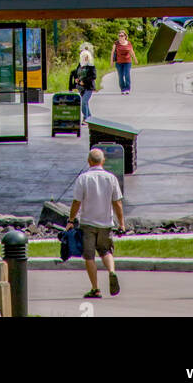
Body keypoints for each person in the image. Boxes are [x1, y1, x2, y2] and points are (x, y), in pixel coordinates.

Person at [67, 147, 125, 299]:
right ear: (103, 161)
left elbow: (76, 202)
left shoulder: (83, 178)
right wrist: (121, 224)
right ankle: (111, 271)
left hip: (88, 223)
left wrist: (71, 220)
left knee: (89, 256)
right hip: (106, 223)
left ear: (88, 161)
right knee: (106, 251)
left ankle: (95, 288)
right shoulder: (111, 178)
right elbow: (117, 203)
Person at [68, 46, 97, 123]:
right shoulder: (80, 64)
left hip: (88, 87)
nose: (85, 58)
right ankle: (89, 117)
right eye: (83, 56)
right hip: (81, 87)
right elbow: (77, 73)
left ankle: (86, 118)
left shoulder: (91, 66)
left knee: (84, 102)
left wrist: (84, 81)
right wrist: (76, 78)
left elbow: (93, 76)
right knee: (85, 103)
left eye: (86, 56)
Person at [110, 30, 137, 95]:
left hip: (127, 62)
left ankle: (127, 88)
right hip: (119, 62)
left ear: (125, 36)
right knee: (121, 76)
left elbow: (132, 52)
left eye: (122, 36)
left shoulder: (128, 43)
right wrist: (111, 62)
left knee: (127, 75)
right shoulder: (116, 43)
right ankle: (123, 89)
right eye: (119, 36)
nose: (120, 37)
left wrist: (135, 59)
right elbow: (112, 52)